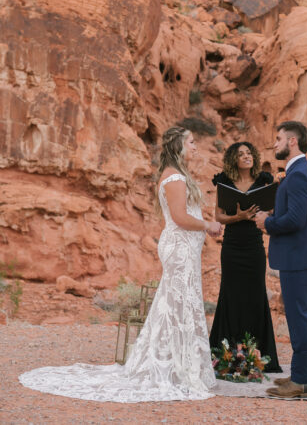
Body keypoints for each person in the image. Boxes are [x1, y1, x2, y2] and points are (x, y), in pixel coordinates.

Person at [19, 126, 222, 402]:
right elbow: (179, 217)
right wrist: (207, 224)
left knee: (178, 303)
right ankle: (174, 368)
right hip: (180, 248)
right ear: (178, 147)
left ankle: (178, 365)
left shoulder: (177, 175)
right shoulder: (174, 177)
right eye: (191, 142)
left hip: (185, 248)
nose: (196, 146)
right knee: (178, 304)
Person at [255, 121, 307, 399]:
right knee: (298, 315)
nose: (275, 144)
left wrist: (266, 222)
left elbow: (295, 220)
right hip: (297, 256)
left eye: (279, 138)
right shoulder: (296, 173)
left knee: (299, 316)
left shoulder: (299, 176)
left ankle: (303, 381)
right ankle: (303, 376)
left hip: (297, 257)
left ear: (292, 142)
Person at [210, 141, 282, 373]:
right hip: (232, 246)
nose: (246, 156)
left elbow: (271, 210)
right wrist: (239, 216)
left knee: (254, 295)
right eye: (241, 154)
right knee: (230, 295)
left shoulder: (264, 181)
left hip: (253, 246)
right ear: (234, 159)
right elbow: (219, 216)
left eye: (249, 153)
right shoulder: (224, 182)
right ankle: (225, 354)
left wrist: (264, 213)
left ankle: (256, 354)